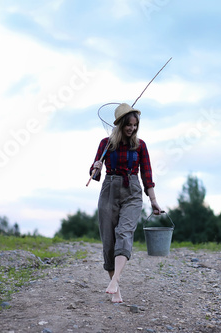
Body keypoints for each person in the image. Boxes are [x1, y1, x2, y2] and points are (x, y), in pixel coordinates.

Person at [90, 103, 162, 303]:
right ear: (120, 124)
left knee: (124, 232)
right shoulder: (106, 144)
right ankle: (116, 290)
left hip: (132, 190)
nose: (132, 129)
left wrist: (153, 200)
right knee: (109, 242)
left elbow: (147, 174)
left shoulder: (140, 146)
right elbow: (94, 175)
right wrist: (95, 168)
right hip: (109, 190)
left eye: (135, 125)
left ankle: (115, 280)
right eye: (129, 125)